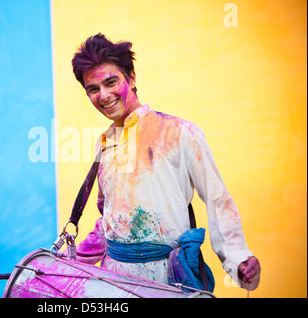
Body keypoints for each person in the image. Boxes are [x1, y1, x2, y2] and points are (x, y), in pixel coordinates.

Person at [70, 33, 260, 292]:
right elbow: (108, 217)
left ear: (131, 78)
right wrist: (74, 259)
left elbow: (217, 200)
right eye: (93, 89)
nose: (103, 95)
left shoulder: (180, 132)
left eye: (110, 82)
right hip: (114, 281)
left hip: (167, 280)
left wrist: (237, 258)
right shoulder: (104, 144)